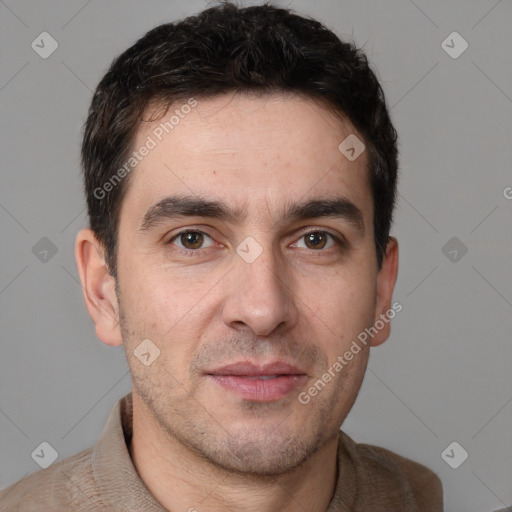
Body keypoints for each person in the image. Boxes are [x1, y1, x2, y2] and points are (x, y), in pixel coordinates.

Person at [0, 1, 443, 510]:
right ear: (103, 290)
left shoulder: (426, 498)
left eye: (315, 239)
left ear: (381, 291)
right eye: (193, 239)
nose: (262, 310)